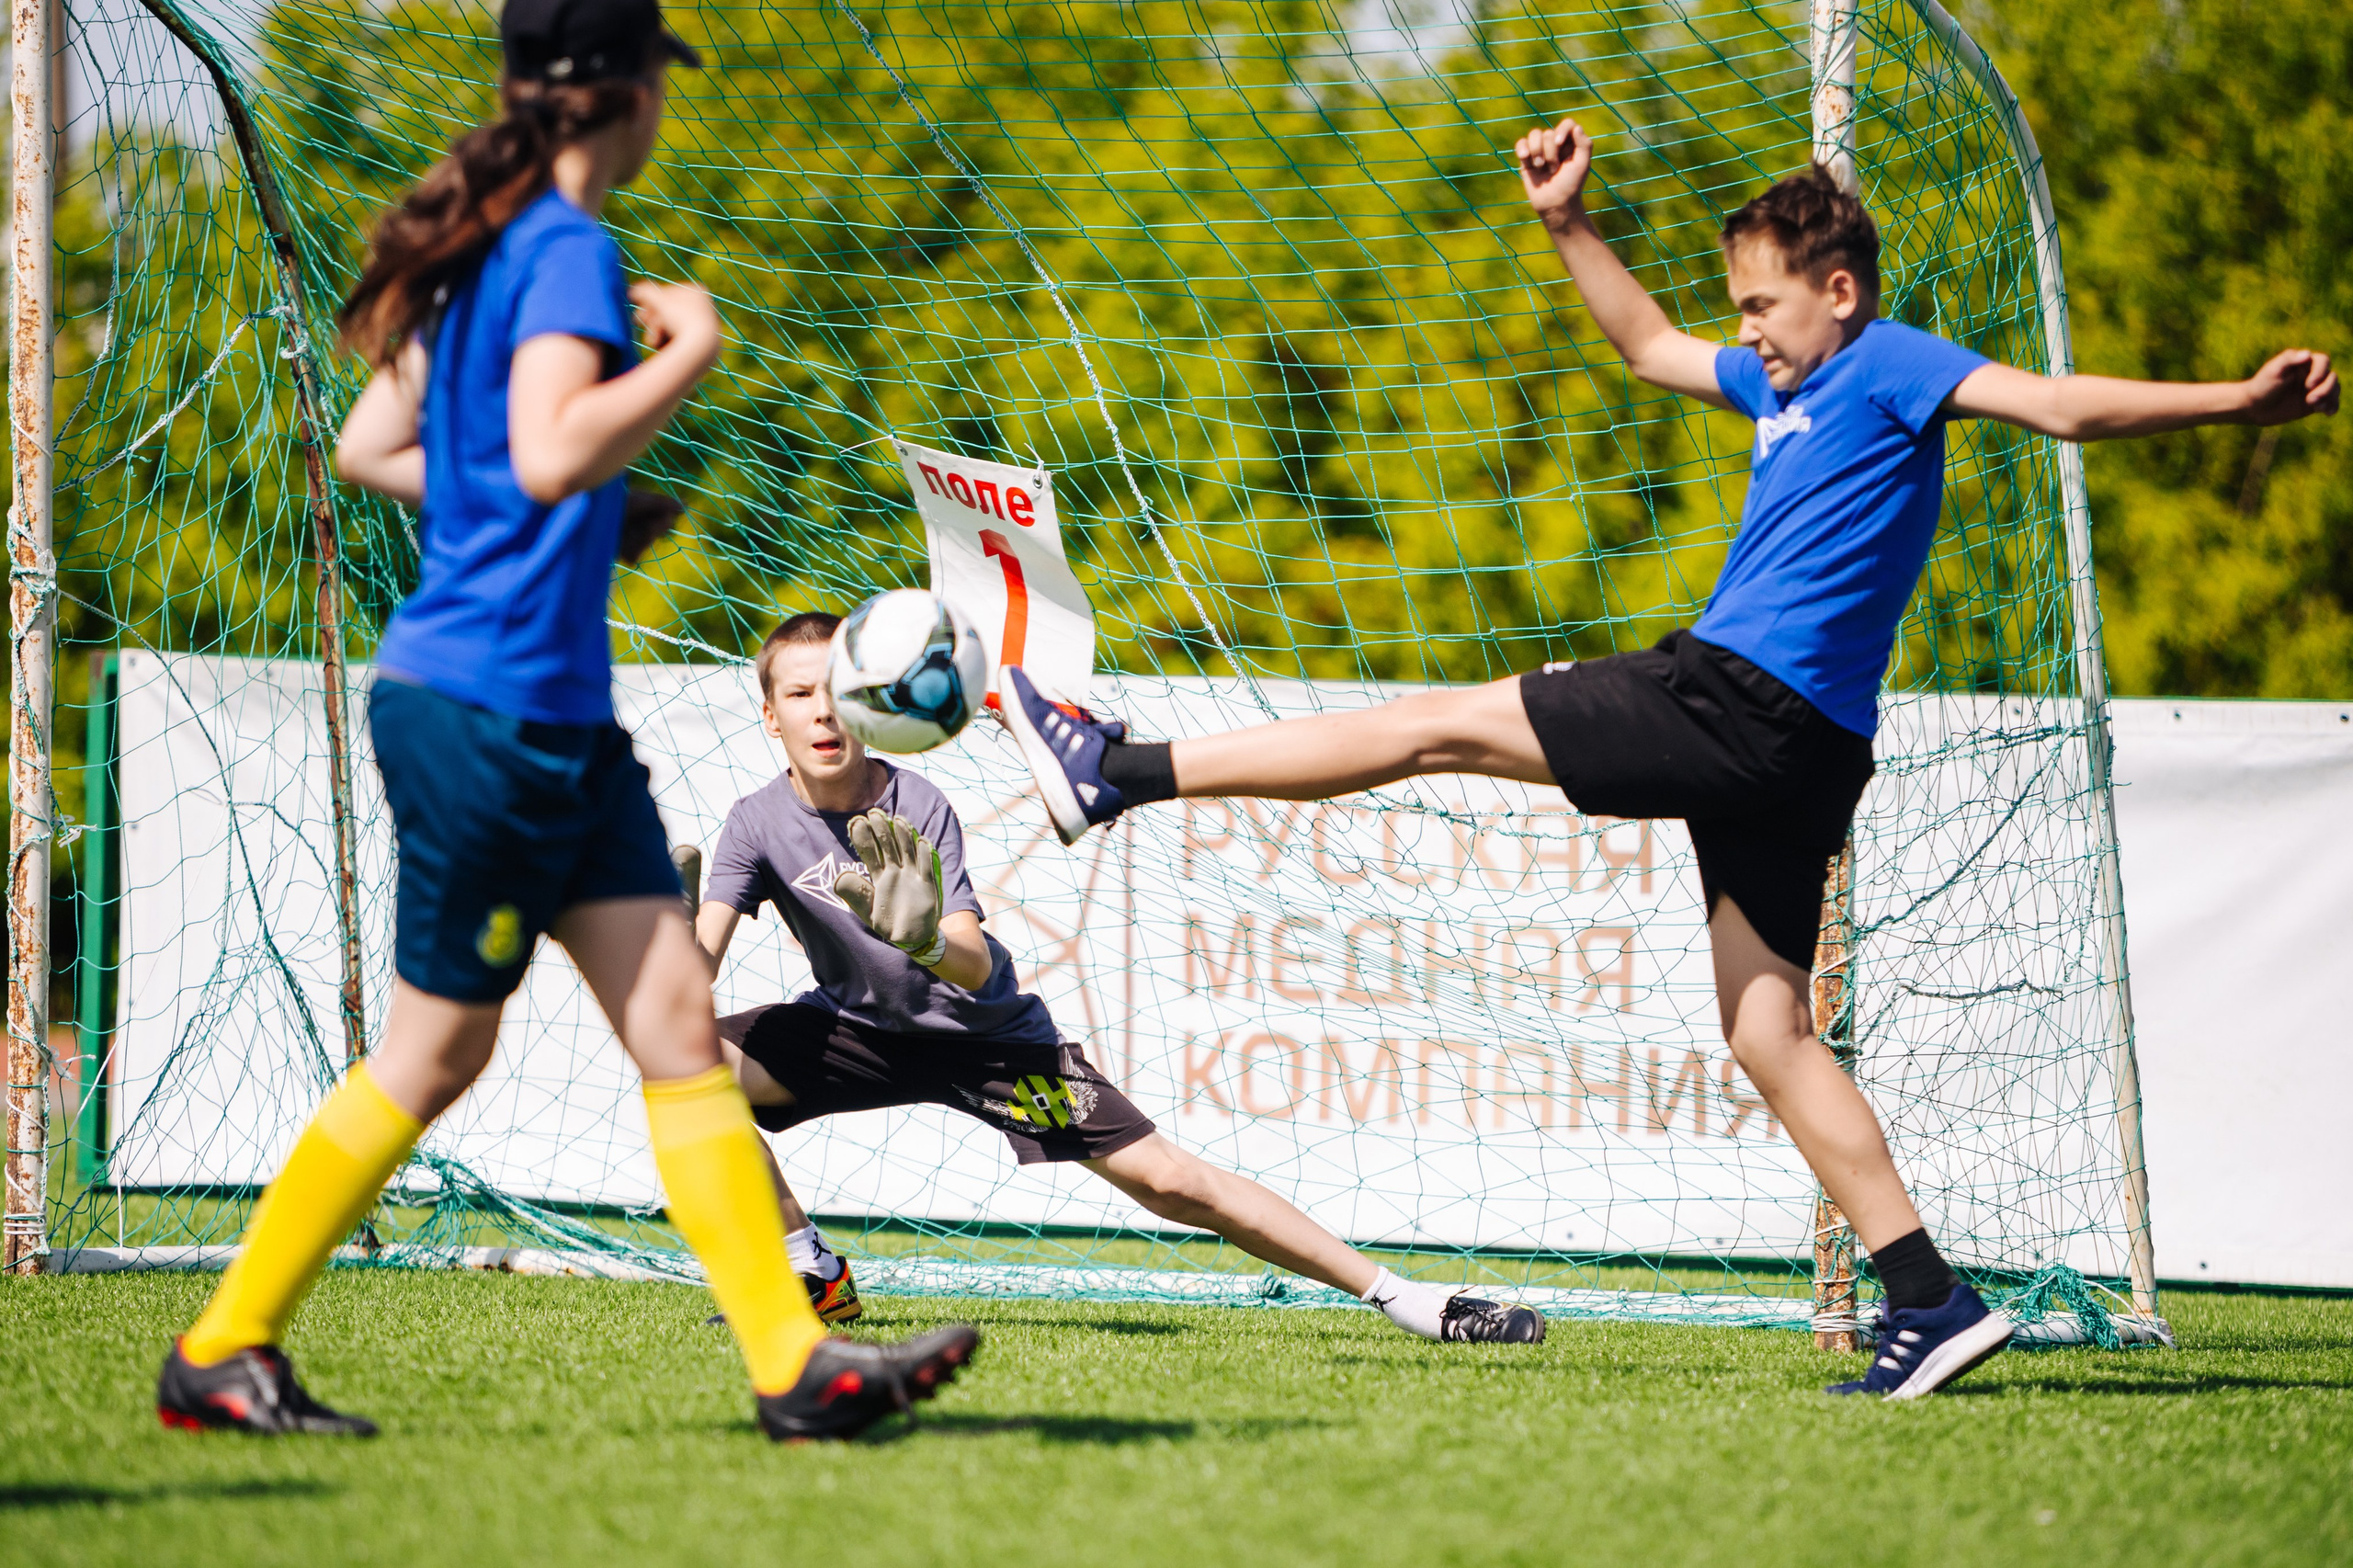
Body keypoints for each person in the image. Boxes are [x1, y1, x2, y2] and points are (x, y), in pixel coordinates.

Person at [999, 117, 2339, 1399]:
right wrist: (1569, 222)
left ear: (1840, 289)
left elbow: (2058, 409)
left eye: (1764, 304)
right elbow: (1647, 346)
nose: (1747, 331)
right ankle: (1932, 1301)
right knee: (1769, 1030)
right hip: (1806, 749)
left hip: (1740, 700)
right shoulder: (1783, 378)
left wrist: (2235, 401)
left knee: (1436, 725)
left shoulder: (1895, 363)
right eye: (1741, 308)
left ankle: (1118, 767)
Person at [154, 0, 976, 1442]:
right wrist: (689, 357)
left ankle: (796, 1364)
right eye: (662, 75)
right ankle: (221, 1346)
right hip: (489, 713)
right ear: (622, 89)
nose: (668, 101)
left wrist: (579, 511)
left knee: (674, 1026)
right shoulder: (564, 250)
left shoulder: (489, 248)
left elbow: (376, 448)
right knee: (435, 1054)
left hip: (552, 722)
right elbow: (541, 447)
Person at [689, 613, 1548, 1346]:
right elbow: (689, 982)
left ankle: (1409, 1301)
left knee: (1173, 1183)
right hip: (857, 1034)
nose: (821, 710)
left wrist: (919, 938)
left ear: (874, 700)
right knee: (686, 1075)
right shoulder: (755, 822)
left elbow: (972, 959)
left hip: (988, 1045)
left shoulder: (916, 804)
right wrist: (661, 931)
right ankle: (810, 1270)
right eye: (798, 695)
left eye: (837, 688)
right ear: (771, 717)